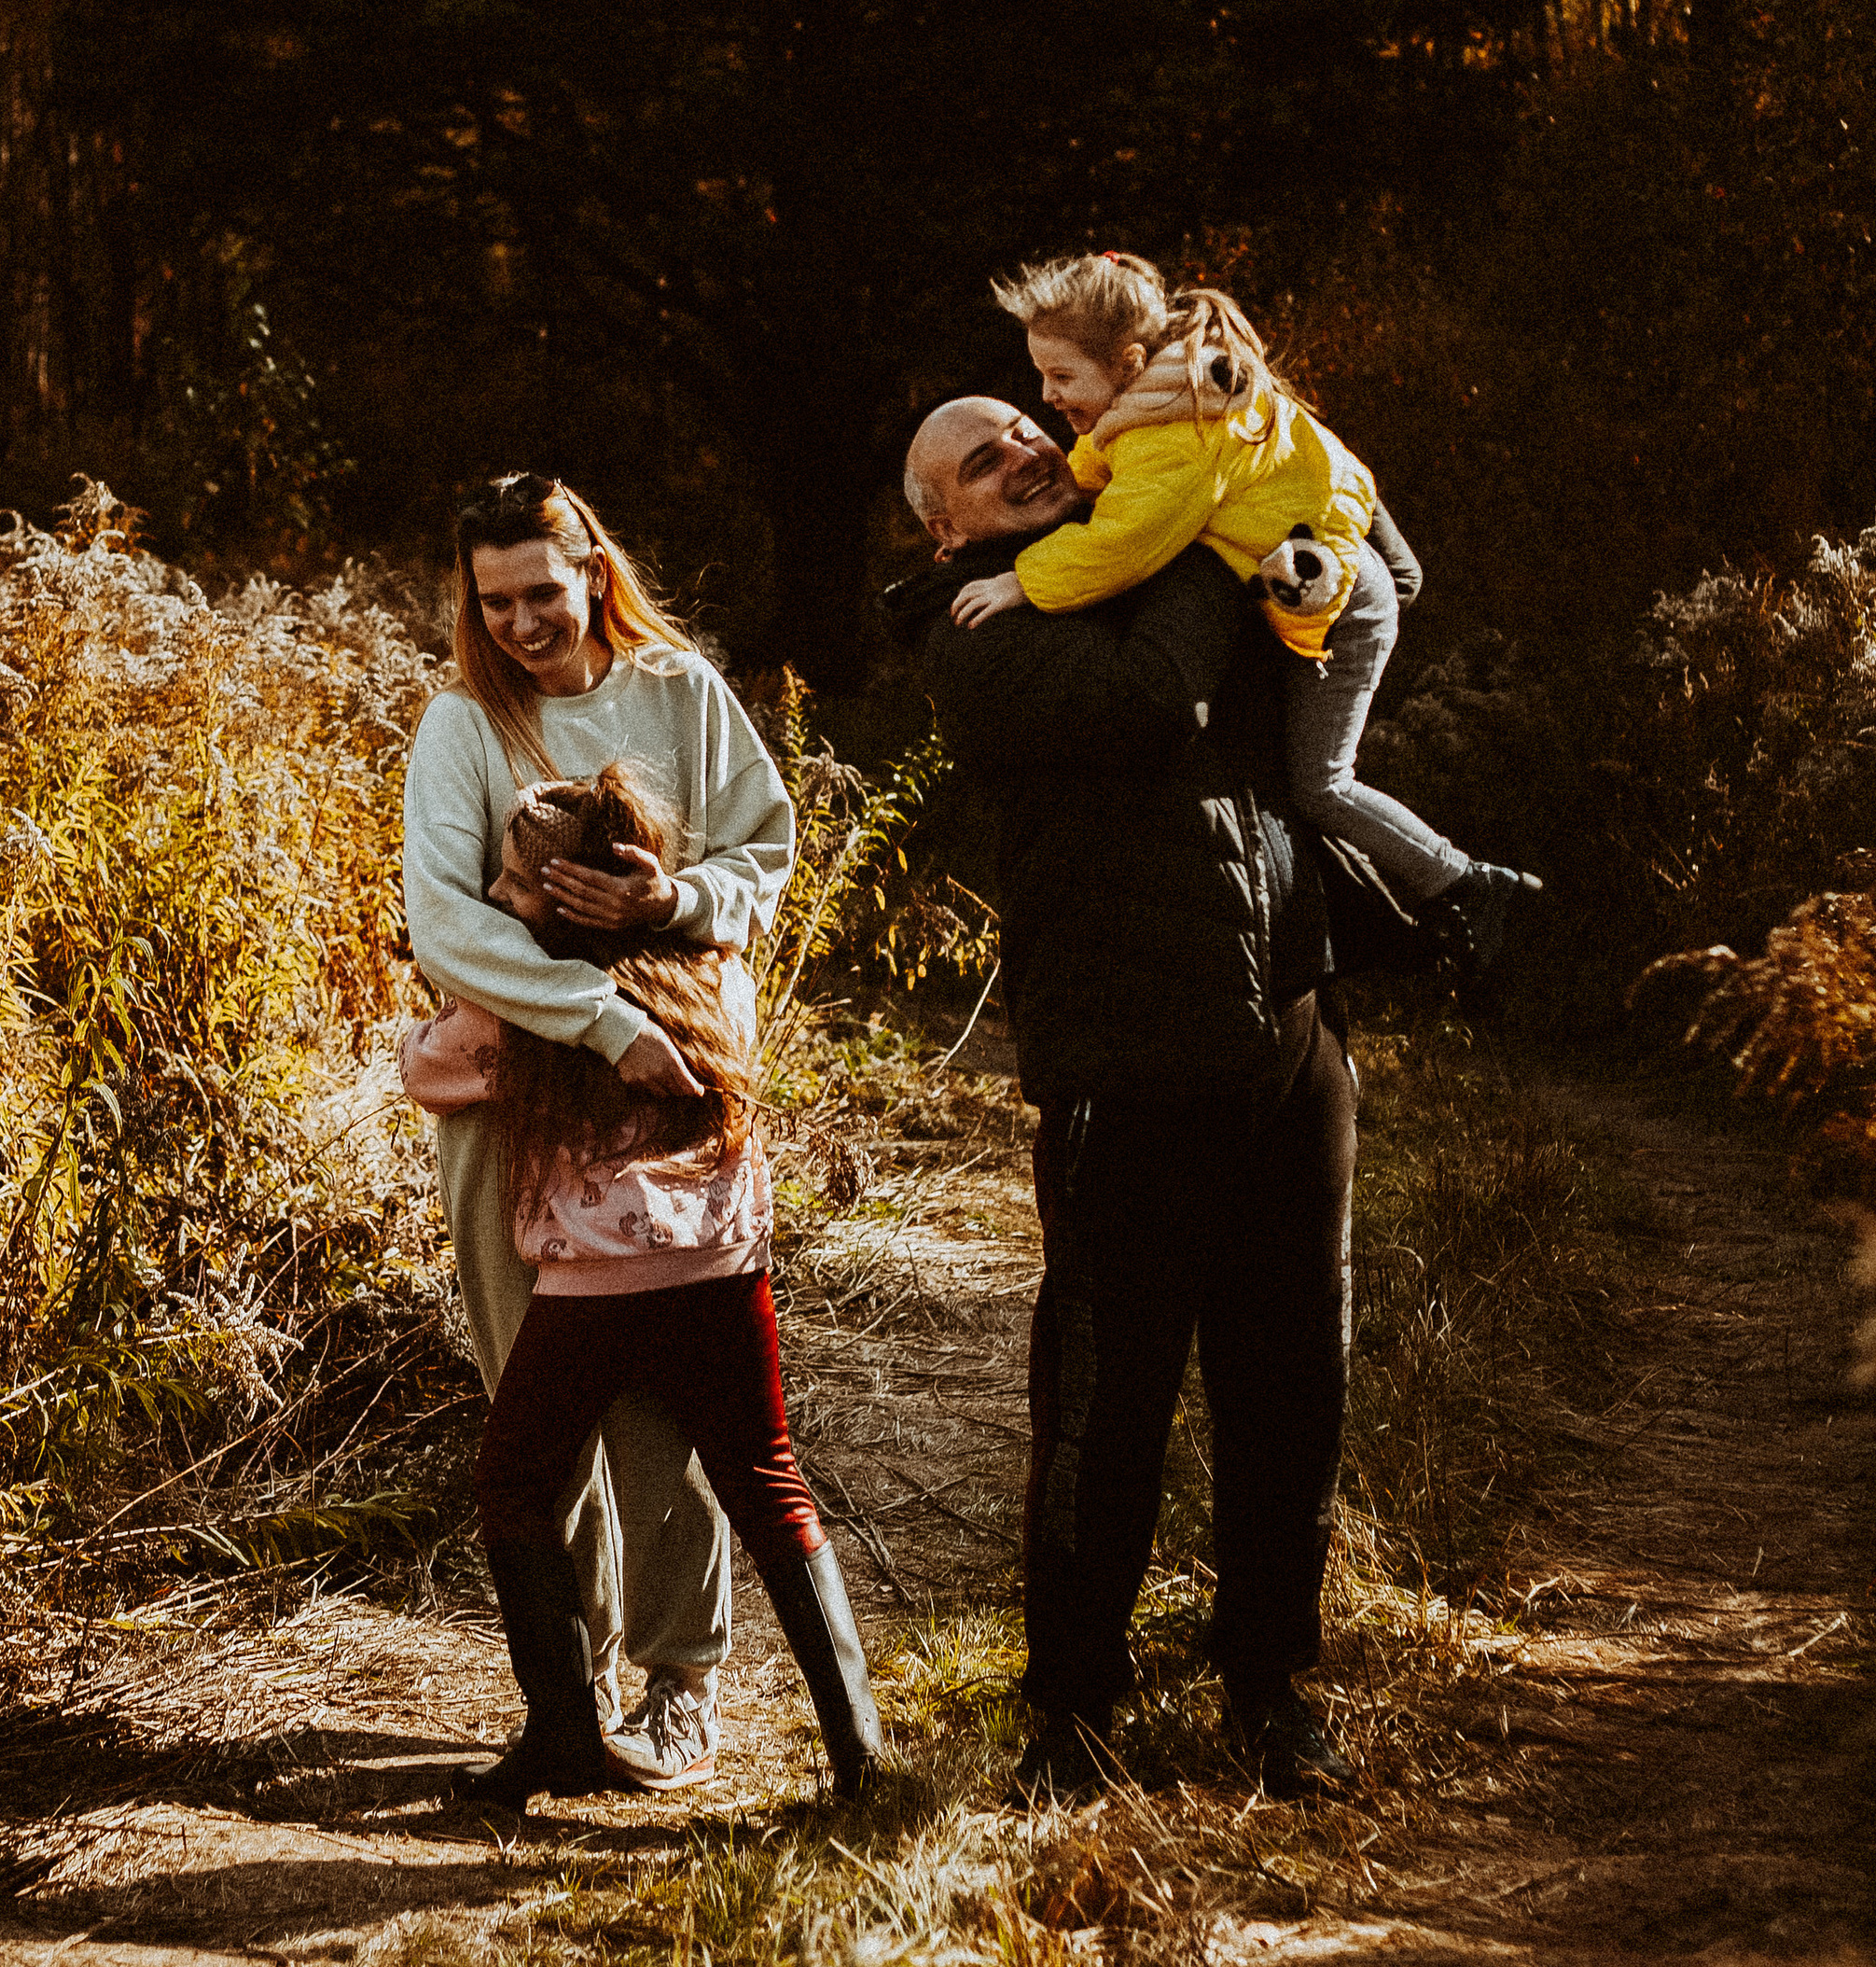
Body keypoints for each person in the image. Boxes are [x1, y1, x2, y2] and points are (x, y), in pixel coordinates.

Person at [896, 395, 1360, 1802]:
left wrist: (1276, 531)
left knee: (1292, 1380)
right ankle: (1073, 1712)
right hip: (1127, 1060)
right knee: (1107, 1404)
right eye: (984, 461)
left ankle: (1268, 1686)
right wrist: (1219, 540)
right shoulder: (976, 629)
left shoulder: (1145, 539)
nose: (1026, 453)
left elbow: (1335, 595)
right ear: (946, 527)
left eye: (1027, 428)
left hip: (1287, 1029)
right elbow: (1155, 696)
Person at [402, 470, 796, 1796]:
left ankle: (682, 1685)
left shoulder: (680, 694)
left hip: (671, 1096)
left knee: (663, 1406)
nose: (520, 623)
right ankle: (567, 1698)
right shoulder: (465, 724)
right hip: (512, 1100)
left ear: (592, 570)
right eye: (492, 601)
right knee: (535, 1402)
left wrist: (667, 904)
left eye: (542, 592)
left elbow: (765, 853)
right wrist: (593, 1017)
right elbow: (443, 921)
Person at [399, 764, 884, 1806]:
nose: (496, 898)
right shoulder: (712, 972)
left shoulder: (528, 1003)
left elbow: (431, 1073)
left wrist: (428, 1022)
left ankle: (564, 1733)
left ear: (570, 897)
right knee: (770, 1481)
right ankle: (861, 1755)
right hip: (722, 1275)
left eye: (516, 885)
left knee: (515, 1479)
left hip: (595, 1290)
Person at [947, 251, 1537, 983]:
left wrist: (1023, 580)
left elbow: (1125, 542)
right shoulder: (1172, 394)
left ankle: (1466, 883)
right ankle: (1406, 929)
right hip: (1329, 565)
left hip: (1346, 603)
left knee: (1321, 784)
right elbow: (1100, 466)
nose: (1047, 394)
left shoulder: (1178, 436)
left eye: (1061, 376)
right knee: (1287, 775)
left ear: (1127, 362)